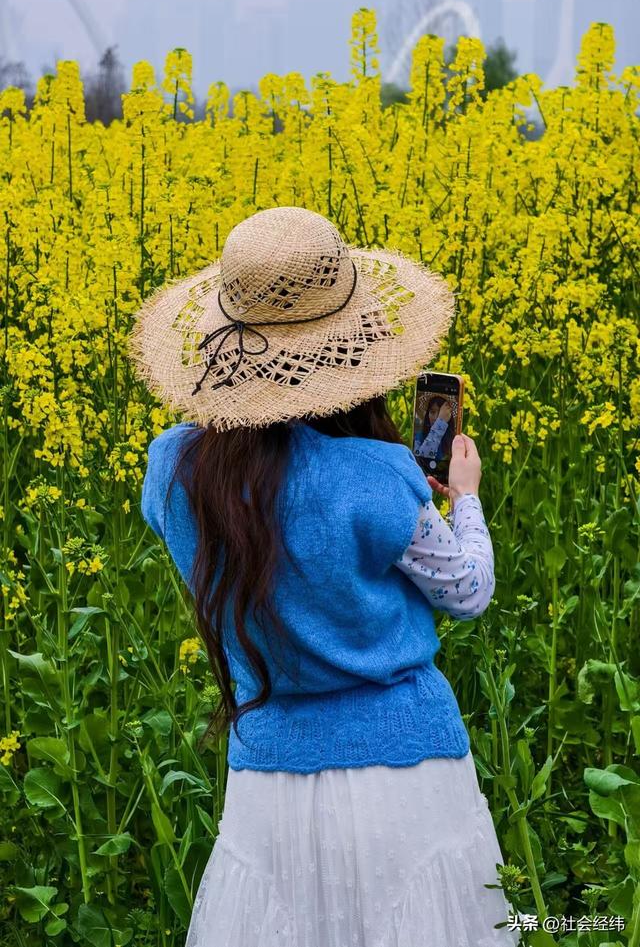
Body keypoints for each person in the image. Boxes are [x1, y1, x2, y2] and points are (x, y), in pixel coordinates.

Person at [128, 206, 521, 947]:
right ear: (354, 347)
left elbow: (259, 493)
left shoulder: (176, 473)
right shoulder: (377, 476)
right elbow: (468, 590)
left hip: (269, 783)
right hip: (408, 779)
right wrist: (464, 498)